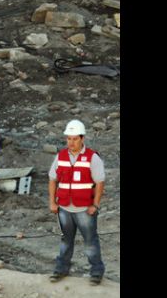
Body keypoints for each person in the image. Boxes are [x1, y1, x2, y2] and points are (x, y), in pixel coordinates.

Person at [48, 120, 105, 285]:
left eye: (74, 139)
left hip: (84, 209)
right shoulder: (61, 156)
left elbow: (100, 182)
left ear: (82, 139)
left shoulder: (92, 158)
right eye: (68, 139)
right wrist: (52, 202)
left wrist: (95, 205)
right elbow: (52, 180)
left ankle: (96, 272)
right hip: (64, 208)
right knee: (66, 240)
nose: (71, 142)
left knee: (90, 241)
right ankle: (61, 269)